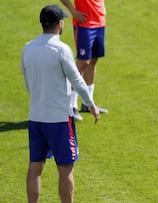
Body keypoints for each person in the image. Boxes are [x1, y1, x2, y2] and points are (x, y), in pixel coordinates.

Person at [21, 5, 100, 203]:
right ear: (59, 24)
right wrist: (90, 104)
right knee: (65, 170)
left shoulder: (28, 48)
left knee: (35, 167)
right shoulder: (61, 49)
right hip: (59, 119)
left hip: (35, 117)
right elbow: (77, 81)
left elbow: (28, 82)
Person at [60, 0, 108, 121]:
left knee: (93, 61)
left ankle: (88, 103)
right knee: (83, 62)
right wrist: (73, 10)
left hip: (100, 23)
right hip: (84, 24)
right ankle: (71, 105)